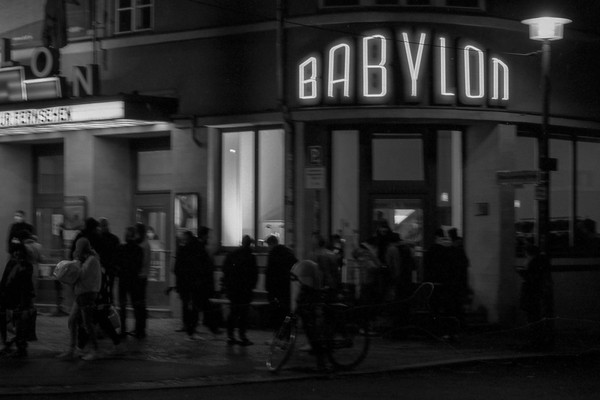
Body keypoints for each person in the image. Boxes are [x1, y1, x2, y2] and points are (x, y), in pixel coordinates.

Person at [57, 238, 102, 361]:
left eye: (78, 248)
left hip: (87, 294)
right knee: (72, 320)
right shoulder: (87, 259)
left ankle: (95, 350)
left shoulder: (92, 260)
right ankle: (72, 349)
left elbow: (81, 274)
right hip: (81, 294)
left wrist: (76, 262)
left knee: (87, 323)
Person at [174, 230, 215, 341]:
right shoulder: (197, 248)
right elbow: (205, 267)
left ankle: (191, 329)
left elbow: (178, 268)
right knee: (195, 307)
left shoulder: (184, 250)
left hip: (188, 283)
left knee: (190, 306)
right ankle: (194, 329)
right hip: (196, 283)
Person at [290, 259, 327, 370]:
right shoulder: (311, 266)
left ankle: (321, 360)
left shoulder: (306, 266)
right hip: (312, 292)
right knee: (311, 324)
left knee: (311, 326)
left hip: (310, 295)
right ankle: (320, 357)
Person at [517, 244, 554, 351]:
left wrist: (523, 273)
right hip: (537, 294)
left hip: (531, 294)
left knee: (532, 318)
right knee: (535, 317)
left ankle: (535, 341)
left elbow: (532, 278)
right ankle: (538, 341)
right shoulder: (541, 262)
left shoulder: (533, 263)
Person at [222, 235, 258, 346]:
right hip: (245, 290)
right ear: (250, 244)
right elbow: (254, 274)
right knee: (243, 314)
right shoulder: (250, 256)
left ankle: (230, 335)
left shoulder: (232, 254)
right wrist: (251, 286)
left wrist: (228, 286)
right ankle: (242, 336)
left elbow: (225, 270)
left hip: (233, 289)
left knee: (233, 312)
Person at [0, 243, 35, 357]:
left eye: (19, 251)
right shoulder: (11, 263)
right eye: (15, 251)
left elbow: (26, 284)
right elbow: (5, 279)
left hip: (20, 298)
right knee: (6, 321)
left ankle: (20, 346)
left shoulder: (26, 266)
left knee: (20, 322)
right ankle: (7, 344)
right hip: (8, 297)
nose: (17, 253)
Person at [116, 226, 144, 339]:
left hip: (123, 280)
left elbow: (117, 263)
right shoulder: (138, 249)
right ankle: (138, 331)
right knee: (135, 305)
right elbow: (139, 265)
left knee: (122, 306)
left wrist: (120, 272)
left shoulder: (121, 248)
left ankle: (123, 330)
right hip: (134, 280)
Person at [265, 235, 297, 328]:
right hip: (288, 287)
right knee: (287, 311)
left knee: (278, 313)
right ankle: (287, 331)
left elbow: (270, 273)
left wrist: (269, 289)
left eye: (268, 245)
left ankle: (279, 332)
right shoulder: (288, 252)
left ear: (271, 244)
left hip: (276, 289)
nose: (268, 248)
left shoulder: (273, 254)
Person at [133, 222, 151, 339]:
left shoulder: (144, 245)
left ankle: (141, 328)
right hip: (141, 276)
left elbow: (143, 261)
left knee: (139, 303)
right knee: (139, 303)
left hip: (141, 276)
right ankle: (139, 327)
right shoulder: (144, 243)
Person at [97, 218, 120, 304]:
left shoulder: (98, 239)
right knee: (110, 288)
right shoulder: (114, 239)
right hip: (111, 268)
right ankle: (110, 305)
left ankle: (103, 305)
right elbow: (117, 255)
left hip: (101, 268)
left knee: (101, 289)